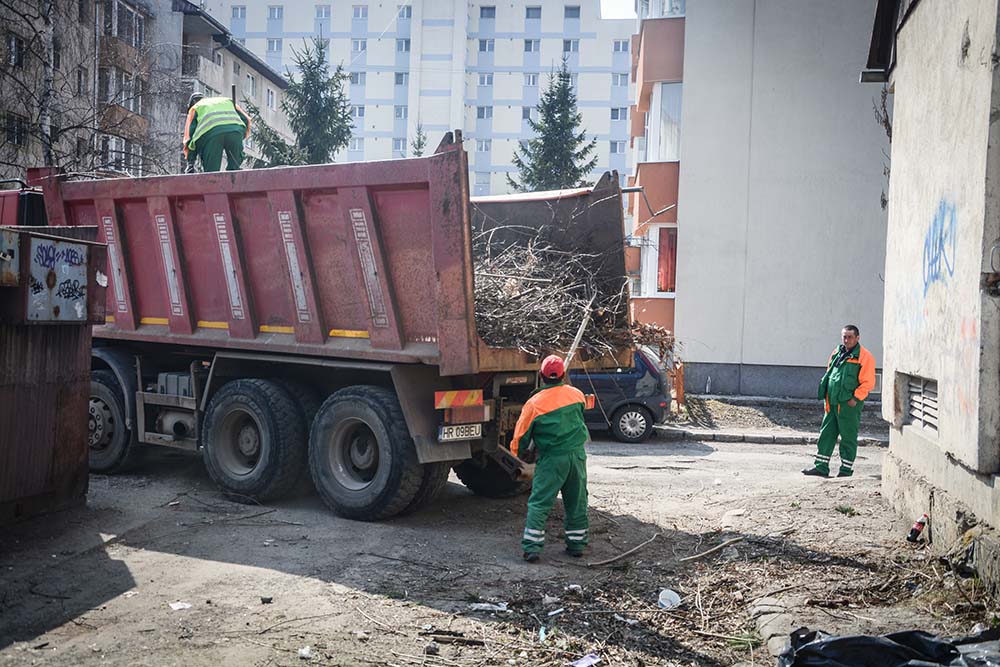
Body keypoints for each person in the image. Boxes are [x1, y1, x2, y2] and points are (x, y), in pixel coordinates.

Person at [510, 354, 589, 562]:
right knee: (577, 501)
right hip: (577, 456)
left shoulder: (534, 404)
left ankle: (532, 548)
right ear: (563, 374)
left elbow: (520, 436)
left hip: (552, 459)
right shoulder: (577, 395)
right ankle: (576, 545)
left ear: (541, 375)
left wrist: (516, 456)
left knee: (540, 503)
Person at [803, 324, 876, 478]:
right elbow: (830, 372)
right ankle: (821, 467)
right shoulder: (837, 351)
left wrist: (855, 398)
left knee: (848, 436)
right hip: (832, 402)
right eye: (844, 336)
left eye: (850, 337)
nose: (846, 340)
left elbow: (868, 382)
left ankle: (846, 470)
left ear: (857, 338)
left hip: (849, 404)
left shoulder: (864, 356)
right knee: (826, 434)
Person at [182, 92, 251, 173]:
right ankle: (232, 180)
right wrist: (240, 136)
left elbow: (189, 138)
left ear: (193, 102)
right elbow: (246, 120)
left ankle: (213, 183)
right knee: (234, 169)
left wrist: (190, 162)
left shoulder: (195, 108)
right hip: (234, 132)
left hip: (211, 136)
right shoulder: (227, 101)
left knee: (211, 174)